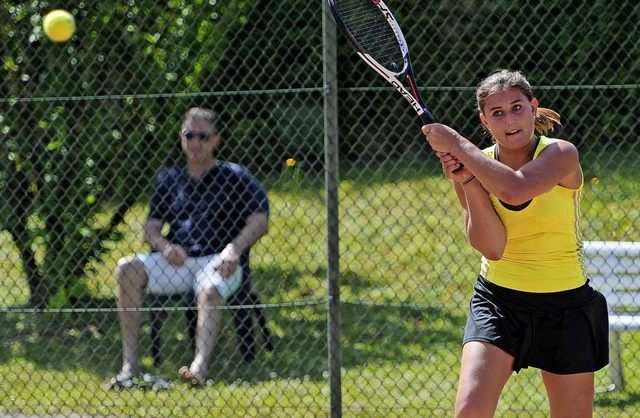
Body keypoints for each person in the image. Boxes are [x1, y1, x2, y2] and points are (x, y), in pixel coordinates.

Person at [422, 69, 608, 417]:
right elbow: (492, 247)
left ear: (533, 107)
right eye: (498, 113)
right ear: (485, 122)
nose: (510, 120)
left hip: (566, 305)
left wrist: (458, 144)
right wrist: (468, 181)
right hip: (498, 303)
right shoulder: (477, 164)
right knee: (469, 412)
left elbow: (516, 188)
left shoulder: (560, 153)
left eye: (517, 107)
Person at [111, 107, 269, 388]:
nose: (195, 142)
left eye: (203, 136)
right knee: (127, 269)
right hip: (179, 262)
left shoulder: (235, 175)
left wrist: (234, 249)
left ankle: (198, 369)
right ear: (182, 138)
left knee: (209, 290)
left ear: (216, 141)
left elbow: (260, 220)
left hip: (218, 261)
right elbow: (150, 229)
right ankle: (129, 366)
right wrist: (165, 246)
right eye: (189, 135)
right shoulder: (169, 179)